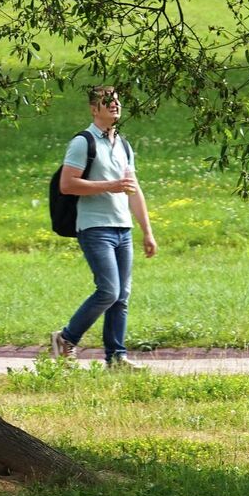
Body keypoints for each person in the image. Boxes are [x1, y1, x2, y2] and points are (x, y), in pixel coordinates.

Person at [48, 86, 156, 369]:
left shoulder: (123, 144)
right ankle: (66, 338)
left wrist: (147, 231)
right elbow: (67, 184)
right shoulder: (83, 142)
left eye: (117, 101)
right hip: (95, 227)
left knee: (121, 296)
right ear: (94, 109)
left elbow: (133, 189)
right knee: (108, 290)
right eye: (107, 102)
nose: (114, 105)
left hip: (123, 227)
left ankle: (116, 357)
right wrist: (111, 186)